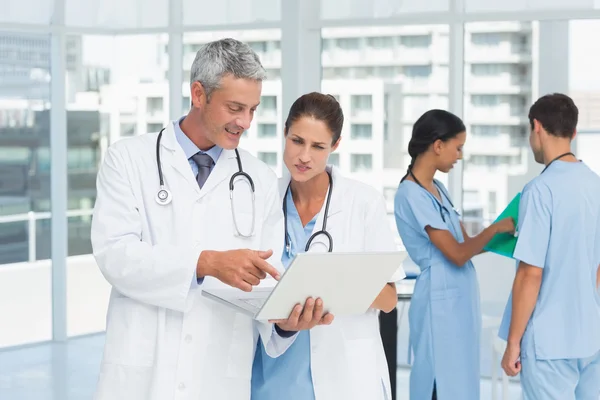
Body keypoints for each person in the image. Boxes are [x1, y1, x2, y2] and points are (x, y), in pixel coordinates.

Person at [91, 38, 330, 400]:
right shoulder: (128, 160)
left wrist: (285, 323)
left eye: (252, 109)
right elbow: (115, 254)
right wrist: (205, 263)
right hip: (144, 373)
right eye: (235, 108)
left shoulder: (259, 179)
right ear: (199, 94)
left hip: (218, 375)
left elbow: (267, 279)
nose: (245, 122)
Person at [250, 92, 406, 400]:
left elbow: (389, 299)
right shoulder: (262, 201)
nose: (304, 156)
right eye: (297, 141)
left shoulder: (362, 202)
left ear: (335, 145)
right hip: (275, 377)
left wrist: (334, 279)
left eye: (318, 146)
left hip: (346, 376)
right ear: (284, 133)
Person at [393, 109, 515, 400]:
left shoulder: (438, 188)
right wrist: (495, 228)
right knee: (439, 380)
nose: (459, 156)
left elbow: (466, 243)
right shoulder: (410, 194)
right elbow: (457, 254)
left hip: (459, 296)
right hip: (439, 298)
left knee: (461, 380)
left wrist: (503, 235)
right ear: (438, 145)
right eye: (457, 147)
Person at [499, 93, 600, 399]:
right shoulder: (596, 185)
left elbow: (531, 274)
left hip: (549, 345)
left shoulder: (540, 190)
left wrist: (513, 341)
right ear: (573, 132)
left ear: (537, 126)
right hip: (591, 339)